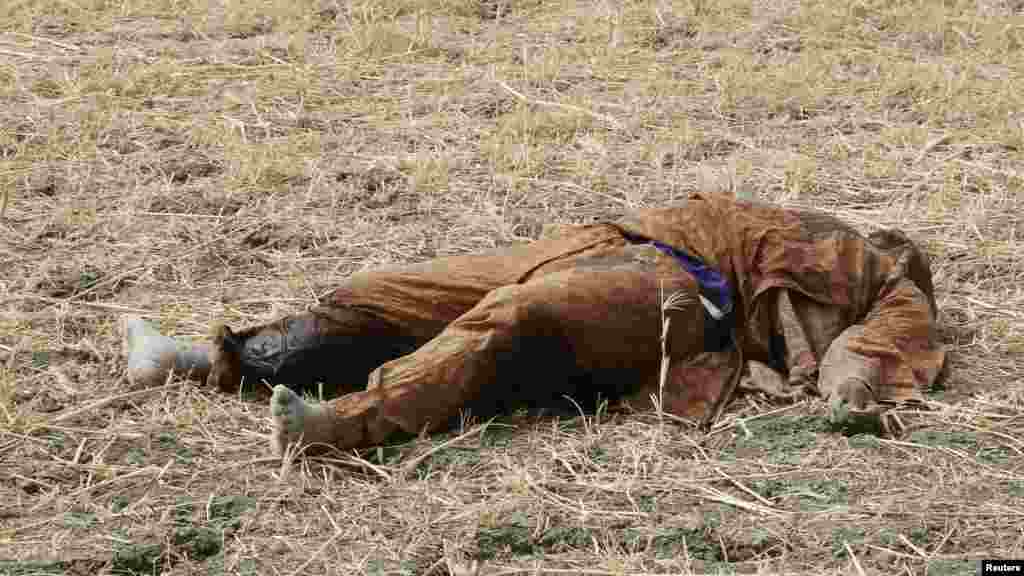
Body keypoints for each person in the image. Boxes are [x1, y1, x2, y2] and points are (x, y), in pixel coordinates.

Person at [123, 193, 945, 456]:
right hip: (606, 245)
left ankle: (343, 425)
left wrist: (845, 387)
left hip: (686, 303)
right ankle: (206, 361)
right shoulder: (804, 218)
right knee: (390, 290)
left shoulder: (889, 283)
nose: (881, 239)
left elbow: (864, 364)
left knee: (515, 319)